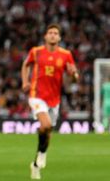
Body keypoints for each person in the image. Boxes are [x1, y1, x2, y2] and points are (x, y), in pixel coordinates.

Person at [21, 24, 79, 179]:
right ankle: (41, 153)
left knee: (48, 132)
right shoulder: (36, 52)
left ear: (59, 38)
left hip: (54, 99)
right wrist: (24, 81)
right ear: (45, 37)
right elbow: (25, 65)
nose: (53, 35)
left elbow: (75, 76)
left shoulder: (66, 55)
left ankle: (37, 160)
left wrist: (74, 75)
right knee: (45, 124)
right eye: (50, 33)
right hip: (37, 95)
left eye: (56, 33)